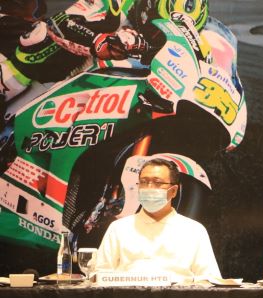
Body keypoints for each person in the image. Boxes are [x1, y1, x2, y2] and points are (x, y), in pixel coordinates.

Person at [0, 0, 209, 127]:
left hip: (114, 98)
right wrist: (97, 42)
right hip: (61, 76)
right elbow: (59, 23)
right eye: (157, 30)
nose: (156, 37)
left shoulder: (197, 42)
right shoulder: (118, 6)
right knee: (38, 38)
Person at [96, 158, 221, 281]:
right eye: (144, 182)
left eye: (157, 182)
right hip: (127, 294)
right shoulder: (118, 228)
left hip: (179, 294)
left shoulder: (194, 230)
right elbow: (100, 275)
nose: (149, 187)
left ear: (173, 191)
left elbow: (208, 279)